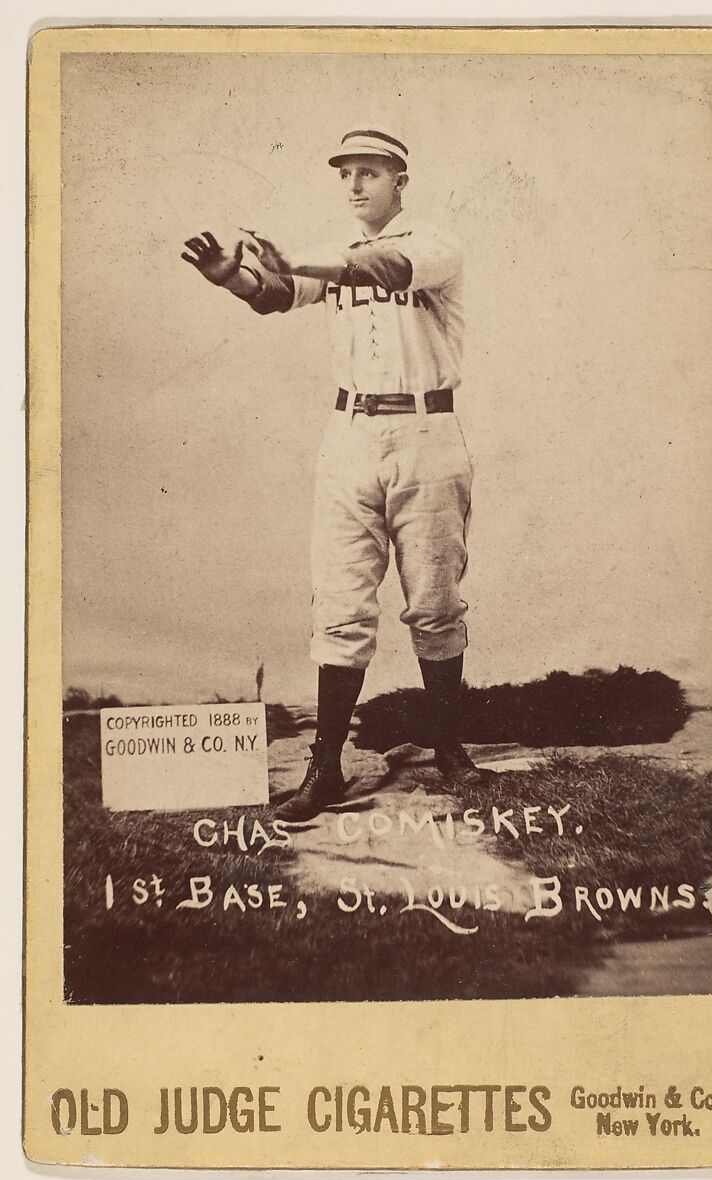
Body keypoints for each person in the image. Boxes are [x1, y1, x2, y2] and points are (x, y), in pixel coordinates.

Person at [182, 127, 483, 823]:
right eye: (345, 172)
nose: (354, 185)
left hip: (427, 431)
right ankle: (325, 767)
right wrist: (231, 277)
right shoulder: (331, 254)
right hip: (347, 435)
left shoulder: (436, 242)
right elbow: (275, 294)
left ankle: (449, 749)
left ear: (399, 180)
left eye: (369, 172)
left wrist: (297, 260)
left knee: (434, 599)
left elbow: (381, 268)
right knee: (341, 601)